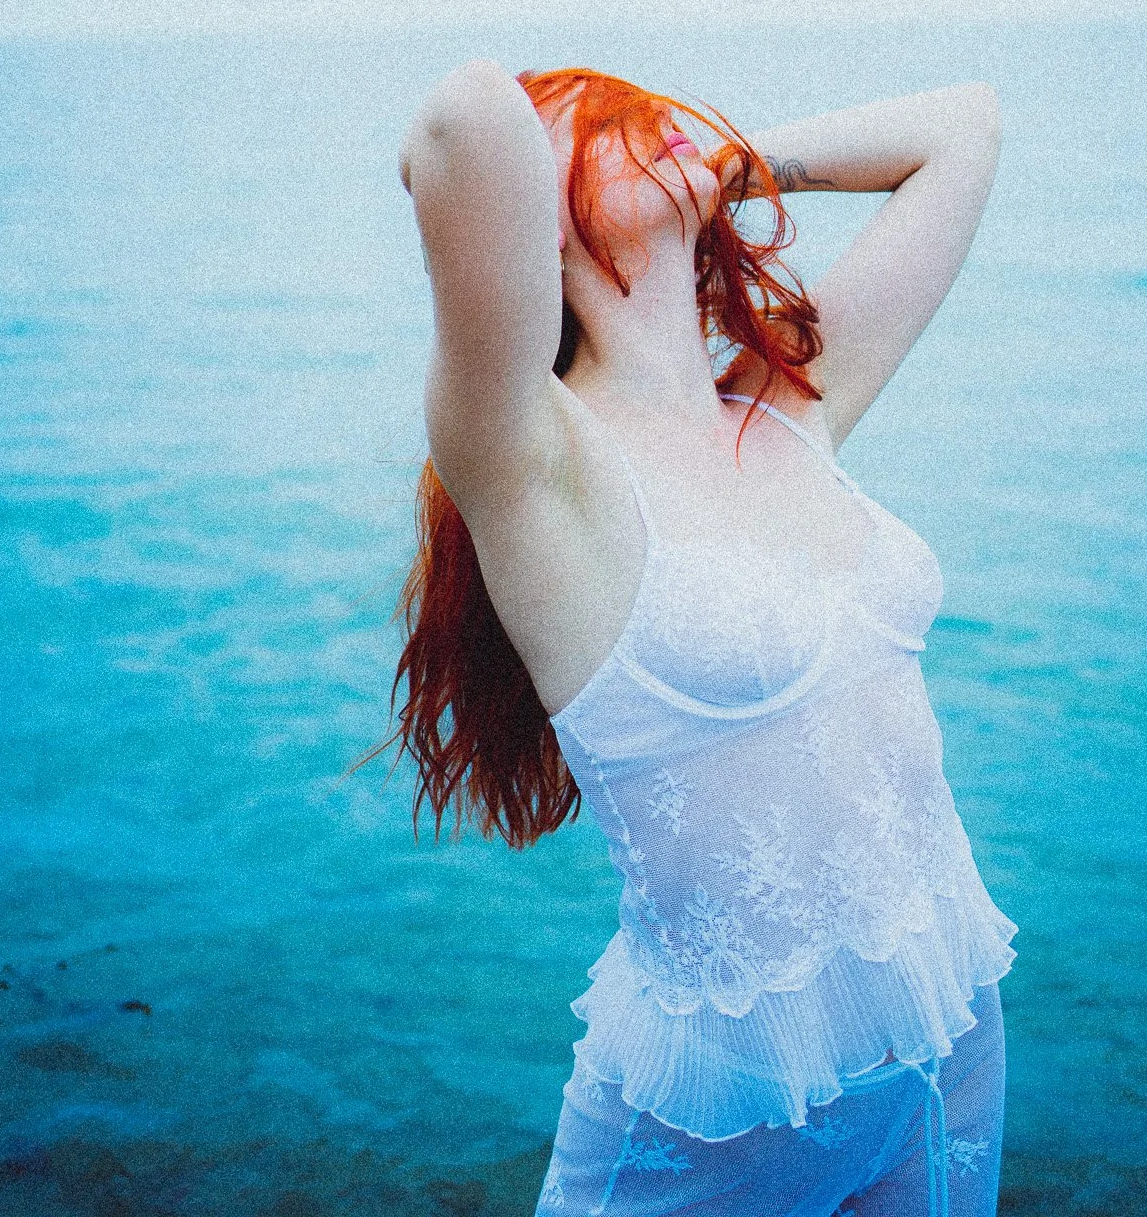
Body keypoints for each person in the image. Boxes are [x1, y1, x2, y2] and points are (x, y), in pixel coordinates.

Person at [387, 60, 1016, 1216]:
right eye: (614, 129)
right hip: (717, 1115)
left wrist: (718, 169)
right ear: (538, 204)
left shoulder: (790, 402)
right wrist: (587, 175)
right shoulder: (535, 462)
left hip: (948, 1028)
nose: (666, 130)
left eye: (661, 116)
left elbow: (960, 127)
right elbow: (460, 119)